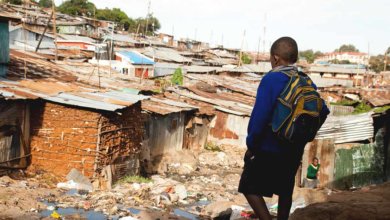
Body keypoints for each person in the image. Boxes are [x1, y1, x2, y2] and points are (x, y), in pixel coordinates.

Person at [238, 37, 330, 220]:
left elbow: (260, 117)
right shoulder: (306, 81)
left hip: (270, 147)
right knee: (285, 190)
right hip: (293, 149)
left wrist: (252, 146)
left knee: (248, 186)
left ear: (275, 58)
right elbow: (323, 110)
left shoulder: (272, 79)